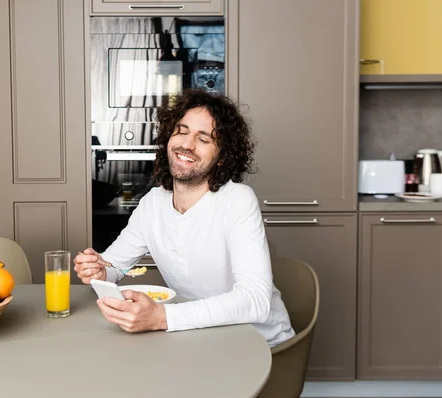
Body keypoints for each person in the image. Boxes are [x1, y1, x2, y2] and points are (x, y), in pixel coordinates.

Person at [75, 89, 295, 347]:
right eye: (181, 131)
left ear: (222, 158)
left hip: (258, 346)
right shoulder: (152, 204)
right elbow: (115, 267)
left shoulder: (237, 201)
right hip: (200, 338)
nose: (187, 145)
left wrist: (161, 317)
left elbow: (256, 301)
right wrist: (99, 271)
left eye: (203, 139)